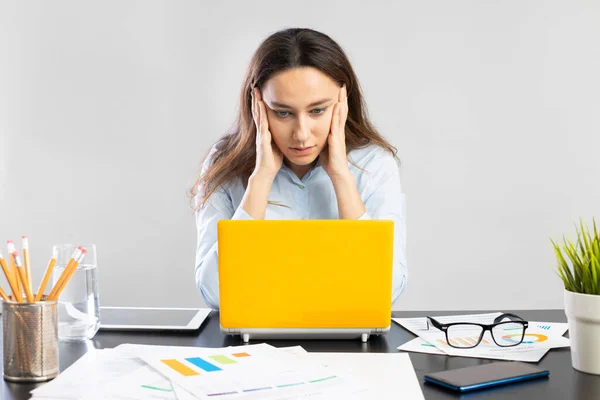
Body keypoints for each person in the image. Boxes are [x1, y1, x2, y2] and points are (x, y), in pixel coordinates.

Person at [190, 28, 407, 310]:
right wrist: (261, 179)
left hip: (349, 344)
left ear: (342, 101)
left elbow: (387, 290)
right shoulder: (226, 164)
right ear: (258, 104)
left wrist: (341, 176)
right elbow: (215, 294)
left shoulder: (374, 164)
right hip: (252, 345)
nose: (302, 134)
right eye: (283, 112)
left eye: (318, 110)